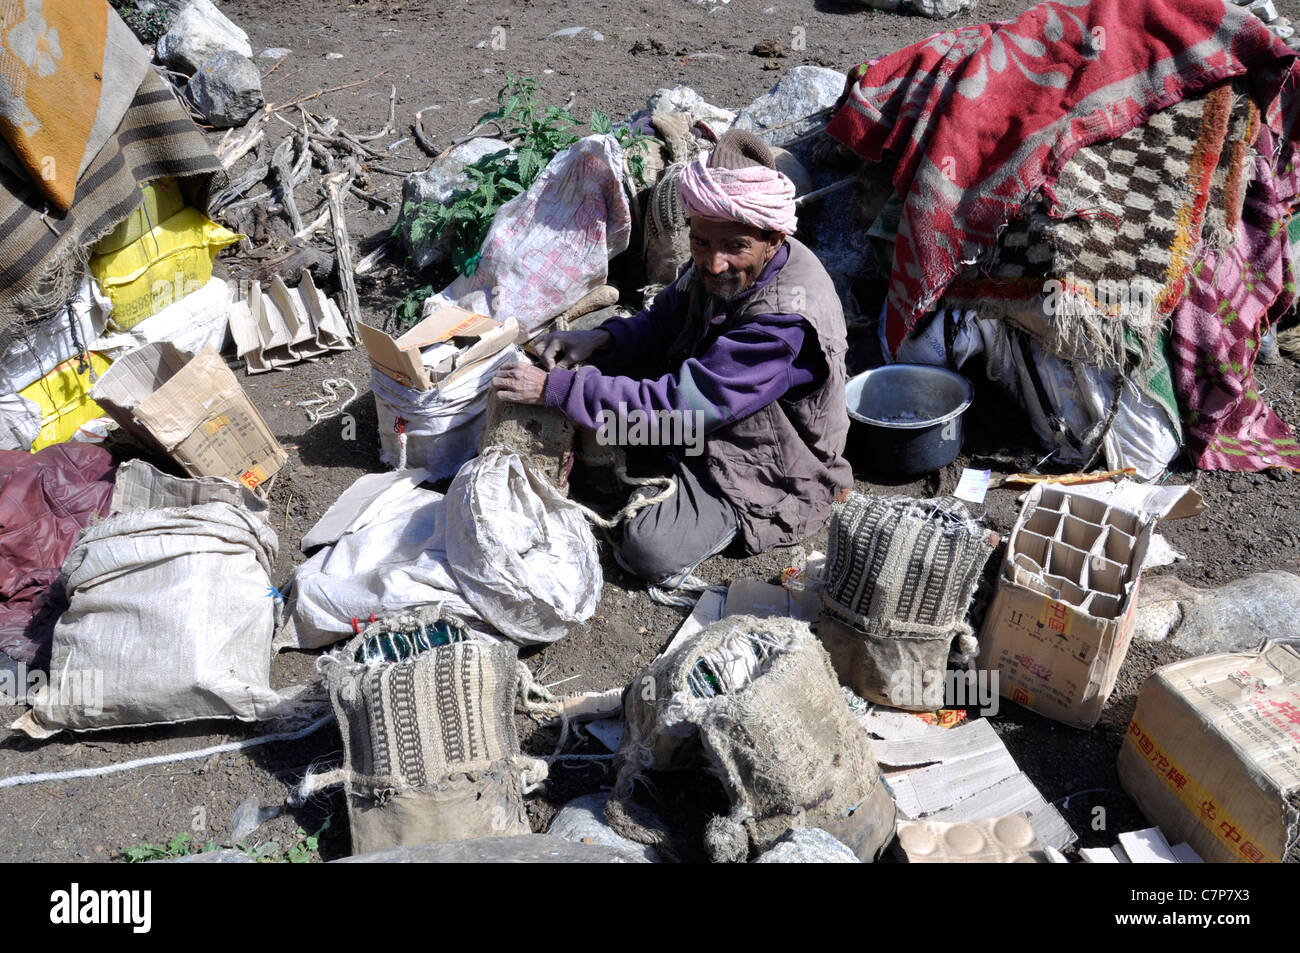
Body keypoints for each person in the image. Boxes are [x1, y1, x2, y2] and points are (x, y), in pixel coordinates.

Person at [492, 129, 852, 585]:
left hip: (766, 460)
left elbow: (684, 409)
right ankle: (644, 451)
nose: (714, 262)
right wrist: (602, 339)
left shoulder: (785, 321)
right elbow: (663, 319)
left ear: (773, 239)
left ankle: (677, 477)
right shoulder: (718, 255)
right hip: (707, 408)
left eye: (734, 247)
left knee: (649, 548)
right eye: (701, 242)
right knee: (587, 374)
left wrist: (555, 390)